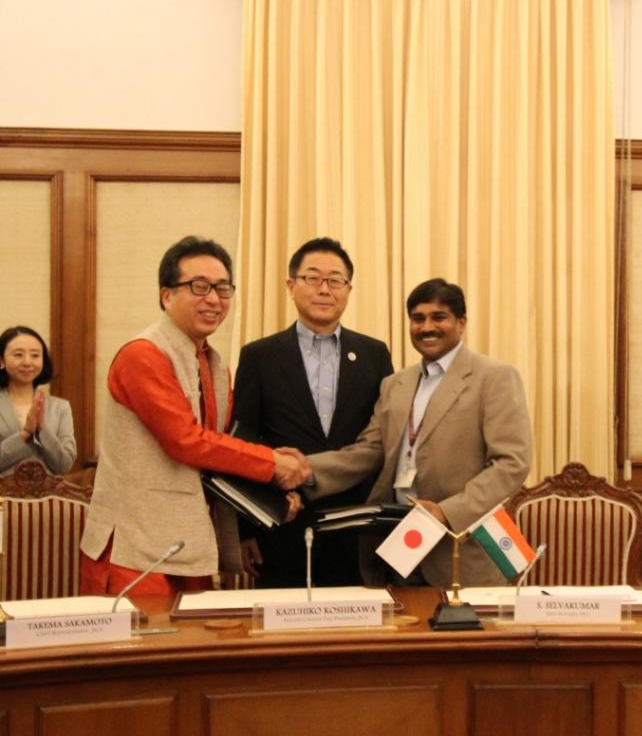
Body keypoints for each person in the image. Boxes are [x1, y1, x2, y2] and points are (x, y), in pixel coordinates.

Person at [80, 236, 307, 596]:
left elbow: (222, 446)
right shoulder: (143, 355)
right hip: (135, 546)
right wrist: (272, 464)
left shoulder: (212, 363)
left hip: (186, 539)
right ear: (166, 295)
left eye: (223, 288)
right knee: (144, 635)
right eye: (199, 287)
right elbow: (187, 441)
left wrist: (272, 491)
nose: (214, 299)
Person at [306, 278, 532, 588]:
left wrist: (446, 512)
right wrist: (305, 468)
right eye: (417, 318)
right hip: (397, 547)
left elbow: (512, 463)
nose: (427, 327)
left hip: (461, 551)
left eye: (439, 317)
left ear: (462, 322)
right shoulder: (394, 384)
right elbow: (370, 450)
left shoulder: (494, 377)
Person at [233, 238, 393, 587]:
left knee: (359, 620)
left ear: (348, 290)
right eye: (313, 278)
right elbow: (243, 442)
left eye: (335, 280)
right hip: (282, 522)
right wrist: (247, 528)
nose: (324, 289)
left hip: (355, 525)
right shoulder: (259, 356)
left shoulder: (374, 355)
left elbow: (384, 439)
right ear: (291, 285)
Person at [0, 326, 76, 475]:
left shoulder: (60, 407)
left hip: (49, 490)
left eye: (35, 355)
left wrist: (42, 430)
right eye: (18, 355)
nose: (27, 362)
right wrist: (25, 433)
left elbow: (65, 465)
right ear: (1, 360)